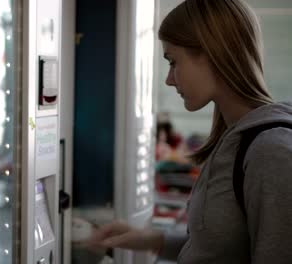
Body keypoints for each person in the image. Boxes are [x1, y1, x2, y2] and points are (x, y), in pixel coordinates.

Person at [86, 0, 292, 263]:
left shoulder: (271, 151)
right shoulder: (235, 139)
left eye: (173, 62)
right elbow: (223, 249)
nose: (169, 79)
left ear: (212, 53)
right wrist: (150, 240)